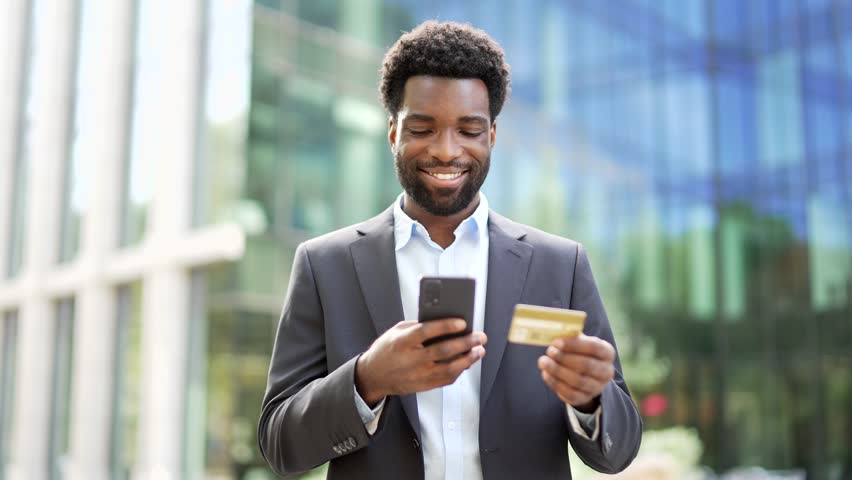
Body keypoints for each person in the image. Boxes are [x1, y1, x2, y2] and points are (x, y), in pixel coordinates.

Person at [258, 20, 642, 480]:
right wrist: (367, 380)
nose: (446, 150)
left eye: (469, 130)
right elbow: (280, 445)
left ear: (492, 137)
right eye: (422, 128)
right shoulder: (326, 265)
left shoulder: (560, 265)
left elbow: (618, 452)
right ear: (393, 133)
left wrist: (590, 399)